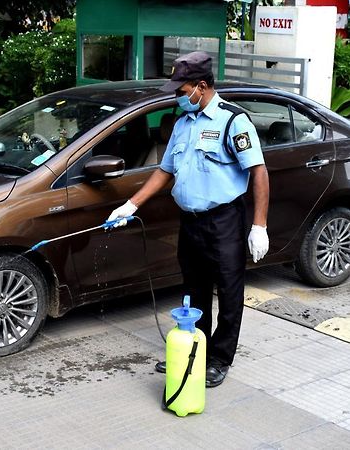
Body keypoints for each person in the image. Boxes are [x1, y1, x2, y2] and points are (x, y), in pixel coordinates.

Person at [107, 51, 269, 388]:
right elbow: (165, 170)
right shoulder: (182, 124)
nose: (178, 98)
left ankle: (220, 359)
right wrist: (131, 205)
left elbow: (258, 171)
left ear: (202, 86)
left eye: (182, 92)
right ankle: (192, 352)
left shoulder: (232, 121)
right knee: (193, 292)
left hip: (225, 221)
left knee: (228, 292)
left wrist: (259, 226)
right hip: (191, 222)